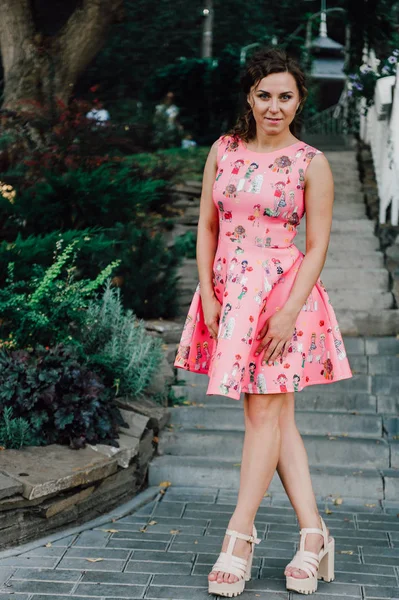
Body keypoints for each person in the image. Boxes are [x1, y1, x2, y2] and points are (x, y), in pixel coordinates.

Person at [174, 47, 352, 598]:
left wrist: (289, 311)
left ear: (299, 102)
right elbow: (206, 225)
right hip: (229, 295)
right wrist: (206, 292)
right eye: (264, 95)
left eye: (286, 96)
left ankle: (239, 538)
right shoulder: (223, 150)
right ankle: (312, 536)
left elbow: (317, 244)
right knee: (279, 421)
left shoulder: (310, 162)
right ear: (250, 98)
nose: (274, 106)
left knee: (263, 416)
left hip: (282, 299)